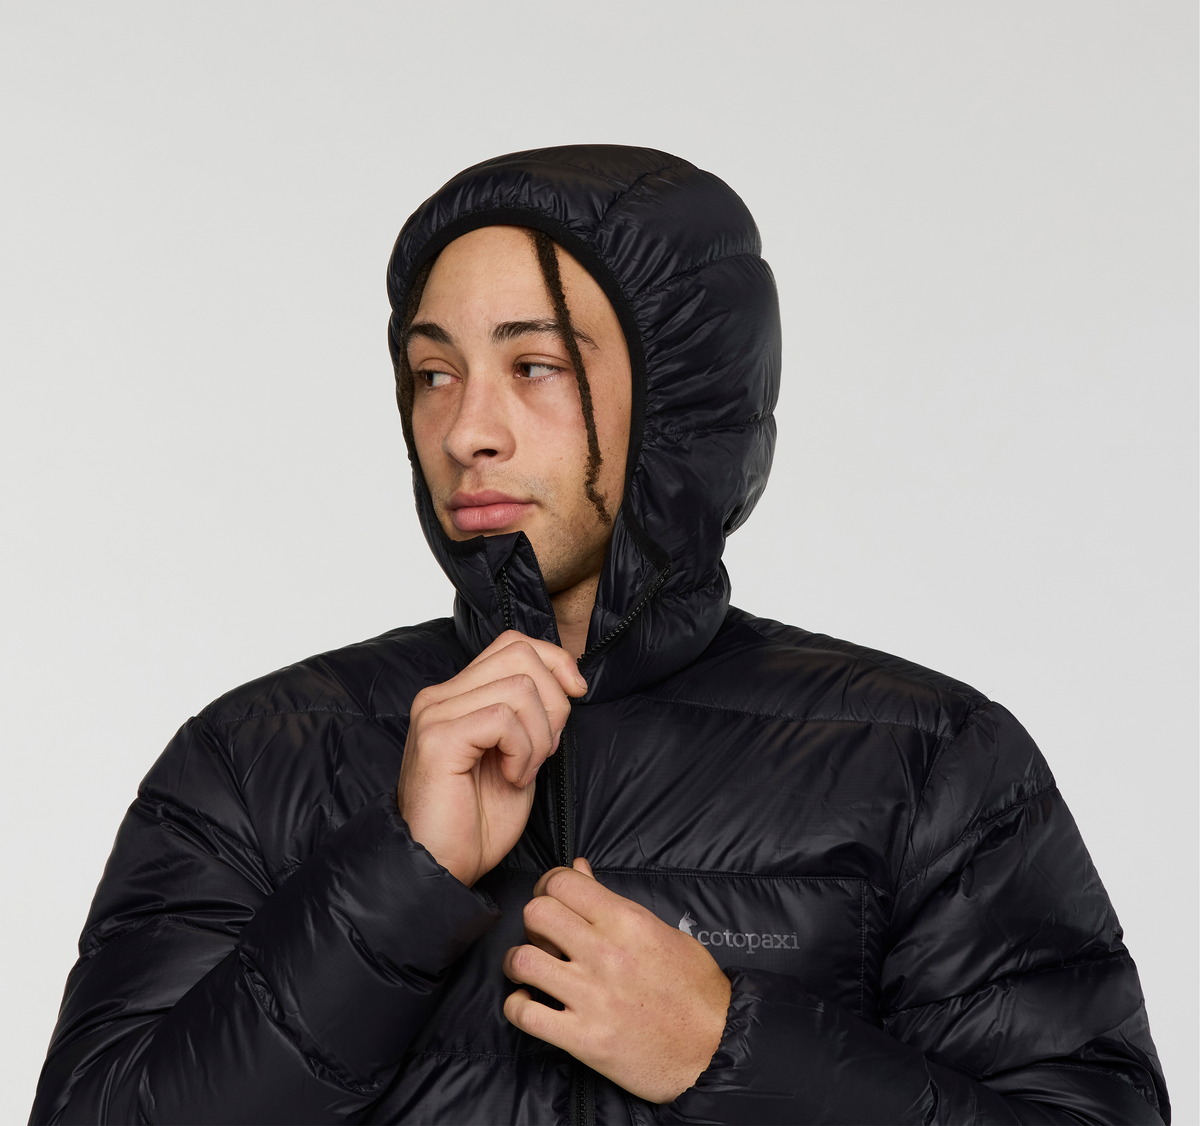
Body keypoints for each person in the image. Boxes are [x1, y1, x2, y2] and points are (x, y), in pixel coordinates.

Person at [31, 145, 1168, 1126]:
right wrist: (398, 881)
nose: (466, 431)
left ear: (680, 399)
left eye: (534, 367)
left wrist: (728, 1053)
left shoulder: (926, 760)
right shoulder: (255, 755)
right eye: (434, 374)